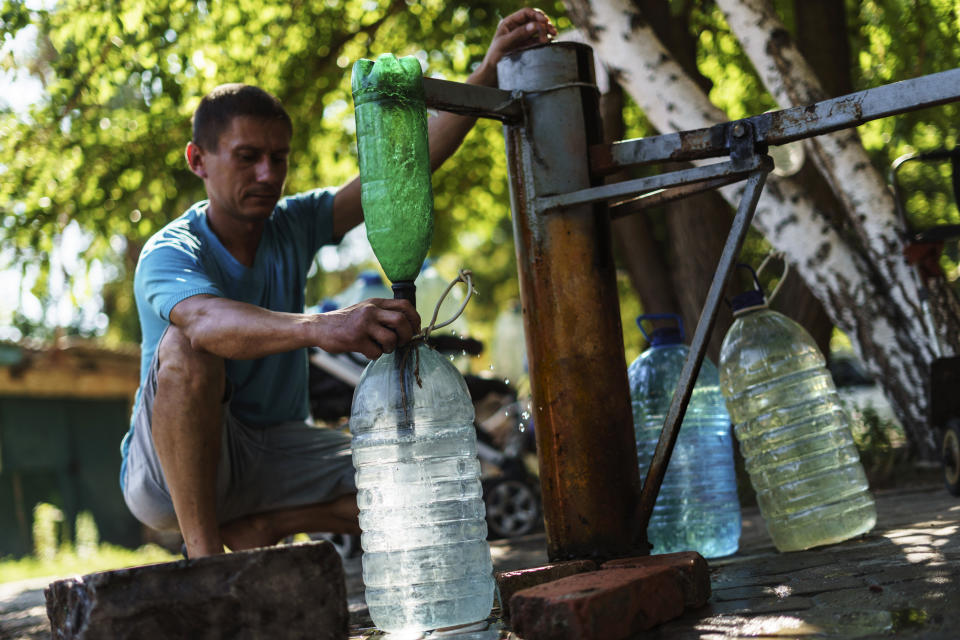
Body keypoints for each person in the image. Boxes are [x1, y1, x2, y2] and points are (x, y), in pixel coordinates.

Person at [120, 8, 557, 559]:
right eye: (247, 157)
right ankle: (207, 565)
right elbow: (206, 321)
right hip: (170, 477)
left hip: (279, 450)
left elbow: (405, 166)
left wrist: (486, 72)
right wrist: (325, 326)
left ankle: (271, 522)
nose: (266, 175)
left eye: (278, 159)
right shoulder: (171, 249)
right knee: (187, 346)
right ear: (198, 160)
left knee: (424, 480)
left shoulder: (292, 224)